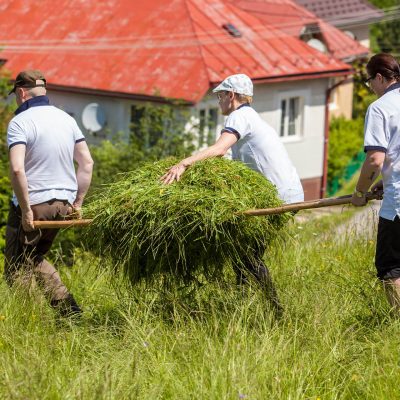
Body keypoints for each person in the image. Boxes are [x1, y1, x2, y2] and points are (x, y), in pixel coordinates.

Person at [161, 74, 304, 313]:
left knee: (245, 254)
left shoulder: (240, 116)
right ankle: (243, 306)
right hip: (286, 193)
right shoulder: (251, 118)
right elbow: (230, 162)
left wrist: (184, 164)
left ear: (232, 95)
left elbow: (219, 149)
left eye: (220, 96)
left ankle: (275, 309)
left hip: (278, 197)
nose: (218, 101)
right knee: (243, 252)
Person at [4, 70, 94, 317]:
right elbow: (87, 163)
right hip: (62, 204)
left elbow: (17, 168)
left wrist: (25, 210)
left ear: (21, 93)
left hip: (34, 203)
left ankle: (26, 321)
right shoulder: (67, 119)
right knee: (34, 257)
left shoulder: (20, 122)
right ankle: (69, 313)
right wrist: (77, 202)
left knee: (17, 266)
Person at [351, 53, 400, 311]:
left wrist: (360, 192)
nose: (370, 87)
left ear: (380, 77)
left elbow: (375, 158)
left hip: (398, 207)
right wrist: (385, 179)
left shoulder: (380, 108)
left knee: (391, 270)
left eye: (370, 81)